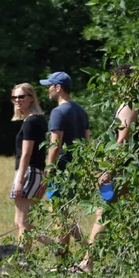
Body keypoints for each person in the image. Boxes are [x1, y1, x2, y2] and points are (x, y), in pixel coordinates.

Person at [79, 65, 139, 272]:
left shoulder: (128, 106)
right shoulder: (130, 104)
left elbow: (122, 139)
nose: (113, 84)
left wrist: (108, 169)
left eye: (115, 80)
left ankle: (87, 262)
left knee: (103, 212)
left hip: (122, 168)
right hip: (125, 167)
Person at [41, 71, 89, 249]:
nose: (47, 90)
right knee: (65, 214)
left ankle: (61, 261)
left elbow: (55, 144)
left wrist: (48, 170)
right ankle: (85, 251)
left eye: (49, 86)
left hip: (60, 169)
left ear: (58, 88)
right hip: (75, 169)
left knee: (59, 215)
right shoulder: (81, 111)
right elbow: (87, 141)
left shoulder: (58, 112)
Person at [9, 83, 47, 246]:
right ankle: (28, 259)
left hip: (28, 172)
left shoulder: (31, 122)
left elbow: (26, 153)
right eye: (14, 97)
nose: (17, 100)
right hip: (37, 172)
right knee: (23, 222)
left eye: (21, 96)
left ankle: (57, 249)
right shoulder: (37, 120)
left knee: (22, 223)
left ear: (31, 98)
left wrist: (19, 180)